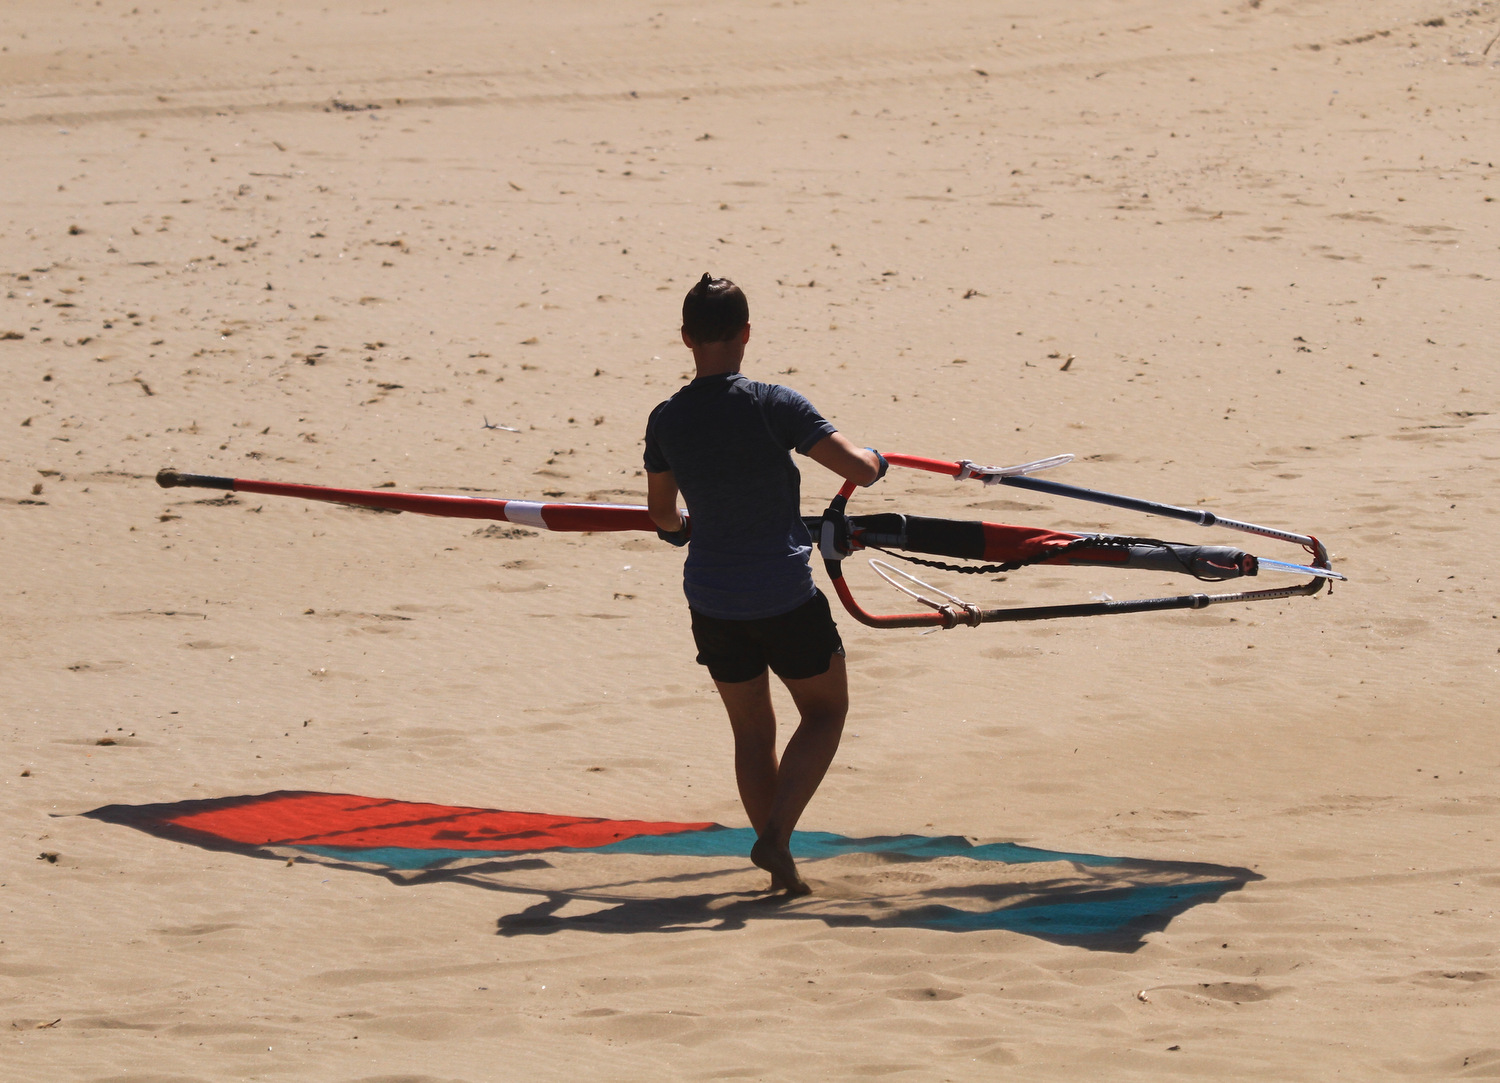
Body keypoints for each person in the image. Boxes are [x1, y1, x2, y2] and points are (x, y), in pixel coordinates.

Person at [643, 274, 887, 895]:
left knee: (752, 732)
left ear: (686, 338)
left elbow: (662, 514)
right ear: (746, 334)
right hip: (782, 595)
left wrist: (682, 531)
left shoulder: (666, 418)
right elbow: (858, 469)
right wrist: (879, 460)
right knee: (826, 711)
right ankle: (776, 837)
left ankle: (781, 867)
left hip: (712, 600)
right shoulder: (772, 403)